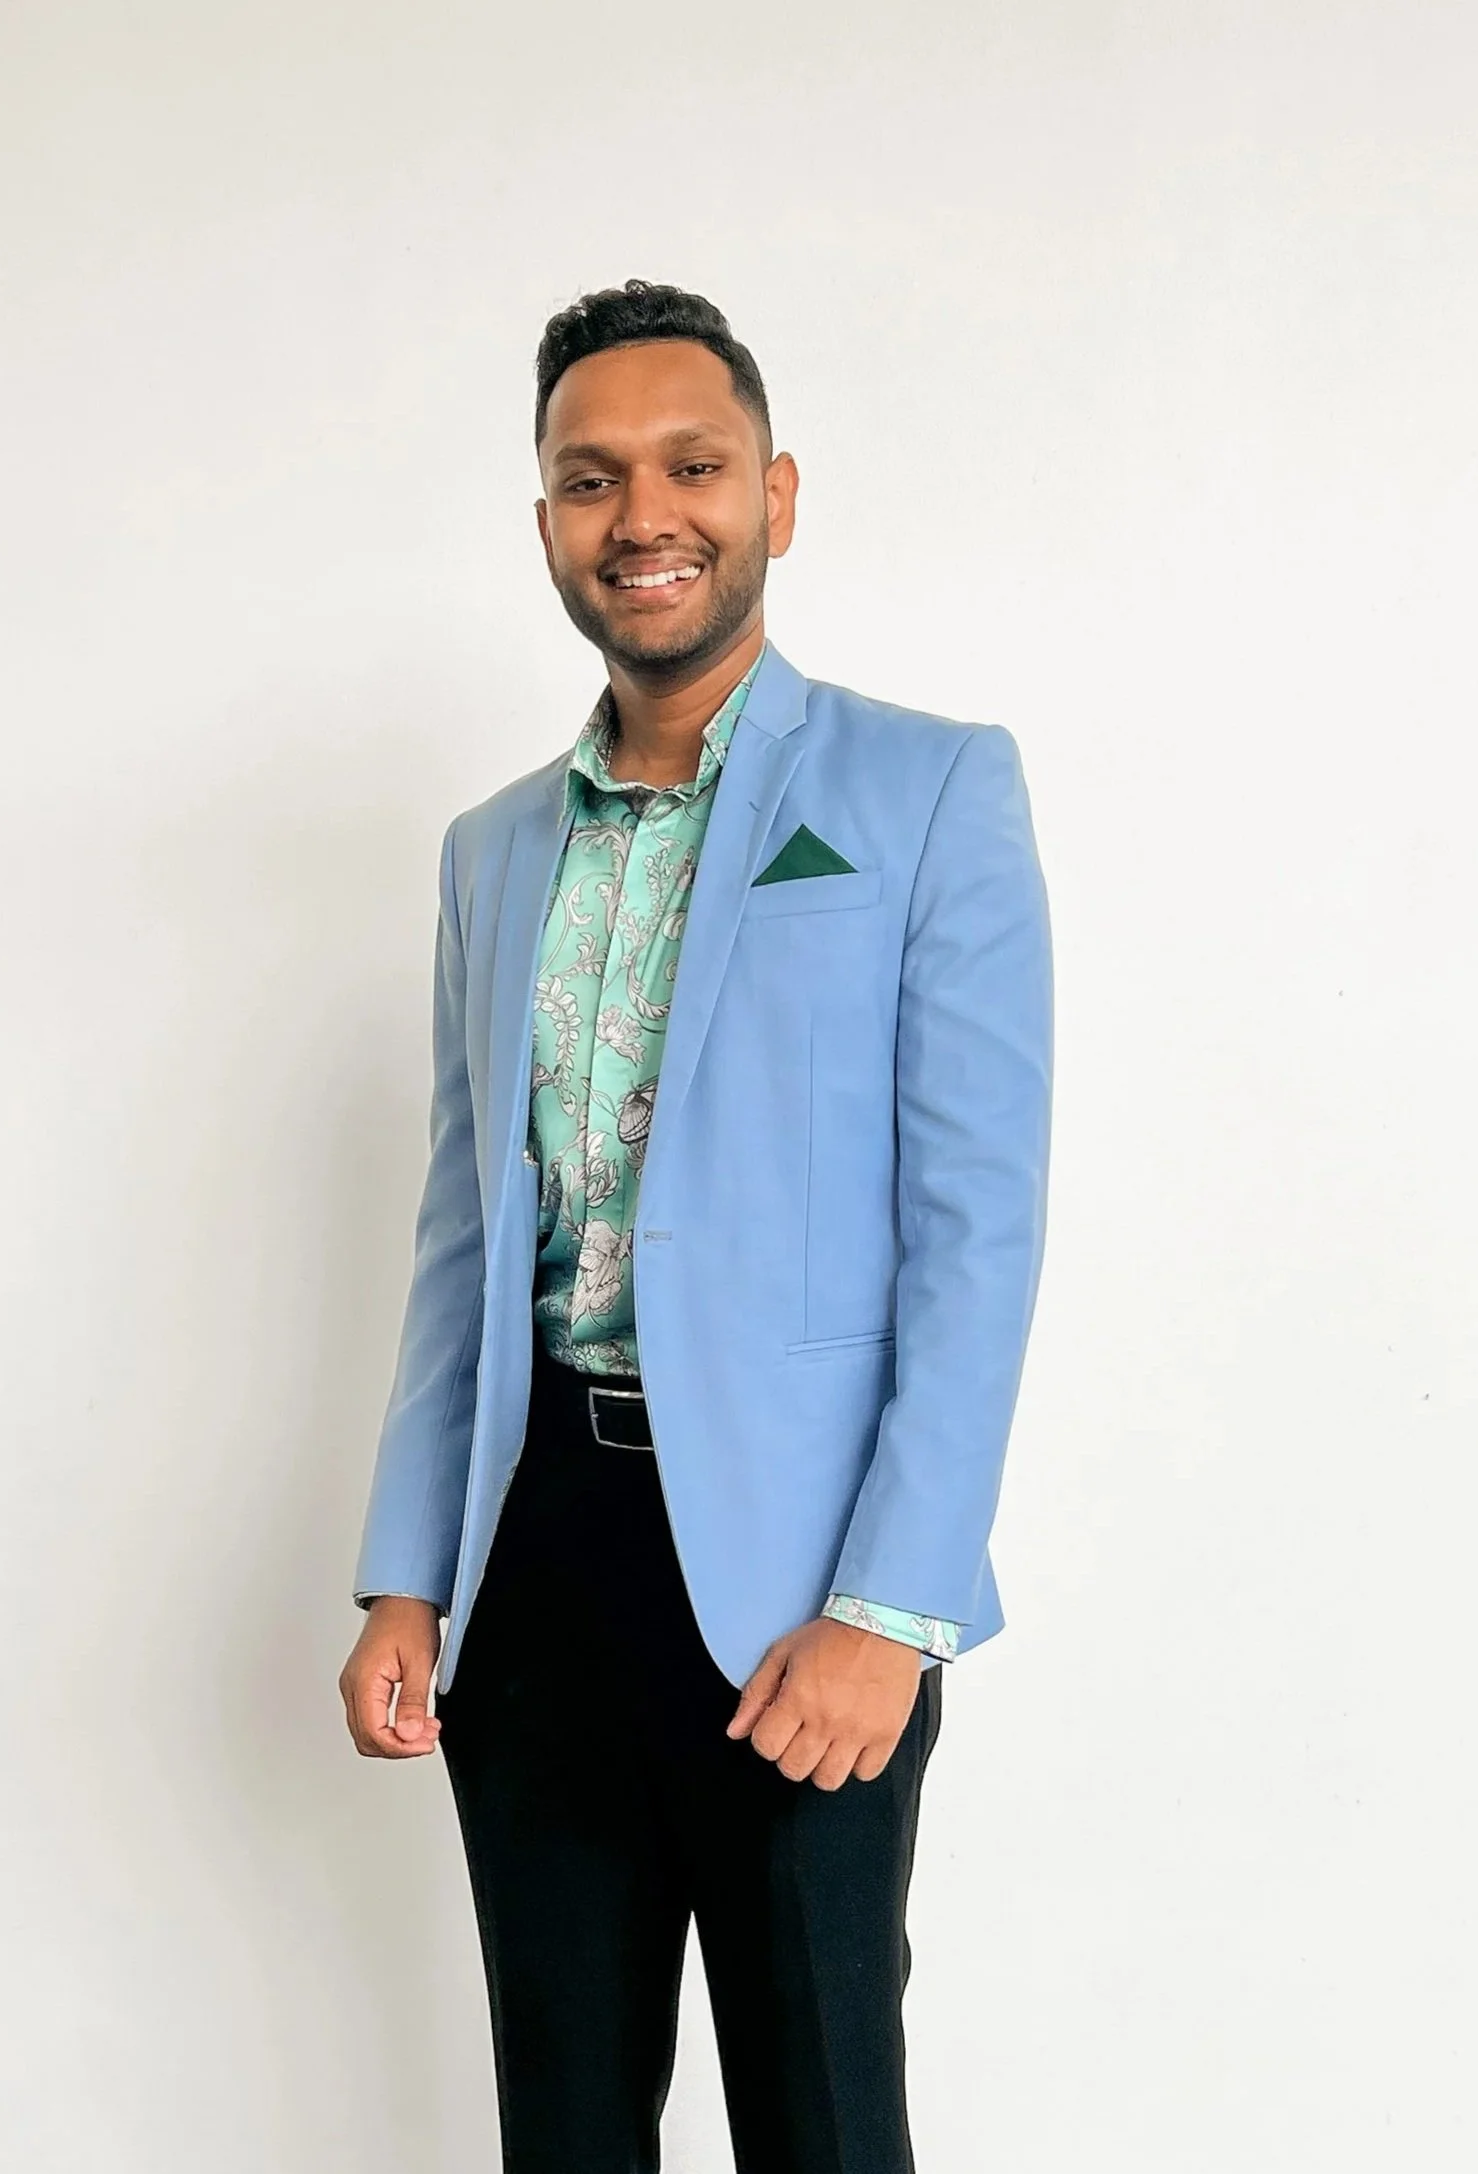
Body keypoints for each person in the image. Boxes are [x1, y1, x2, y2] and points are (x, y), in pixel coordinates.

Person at [338, 277, 1054, 2174]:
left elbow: (974, 1229)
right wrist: (408, 1571)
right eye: (590, 478)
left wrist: (887, 1610)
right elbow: (460, 1244)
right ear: (549, 522)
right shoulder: (491, 849)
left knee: (822, 2127)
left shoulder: (924, 790)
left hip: (799, 1588)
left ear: (776, 494)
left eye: (690, 465)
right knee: (564, 2127)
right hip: (537, 1562)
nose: (641, 512)